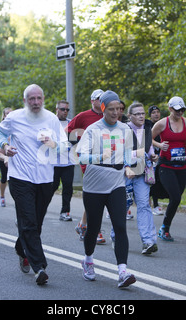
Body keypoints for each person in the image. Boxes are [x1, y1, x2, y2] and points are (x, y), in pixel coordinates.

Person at [0, 84, 67, 285]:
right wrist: (5, 145)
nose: (35, 102)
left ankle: (22, 249)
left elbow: (63, 145)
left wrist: (51, 143)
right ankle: (39, 267)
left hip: (45, 178)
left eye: (39, 98)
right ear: (25, 100)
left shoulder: (52, 119)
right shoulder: (15, 117)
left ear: (43, 99)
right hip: (20, 177)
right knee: (28, 221)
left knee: (36, 222)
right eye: (31, 99)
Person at [76, 90, 136, 288]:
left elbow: (128, 153)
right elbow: (81, 156)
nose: (115, 113)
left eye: (118, 109)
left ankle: (122, 271)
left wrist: (128, 166)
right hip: (94, 184)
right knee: (93, 227)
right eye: (111, 109)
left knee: (120, 226)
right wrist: (100, 157)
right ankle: (88, 260)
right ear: (103, 109)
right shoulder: (93, 129)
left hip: (116, 183)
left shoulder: (125, 128)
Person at [66, 89, 106, 243]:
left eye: (104, 99)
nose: (102, 101)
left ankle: (84, 224)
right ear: (92, 101)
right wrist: (78, 143)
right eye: (99, 99)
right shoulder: (83, 116)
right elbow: (68, 131)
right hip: (89, 160)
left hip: (107, 159)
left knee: (98, 194)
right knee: (98, 193)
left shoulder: (109, 115)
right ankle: (94, 230)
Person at [152, 96, 186, 241]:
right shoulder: (162, 123)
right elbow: (148, 138)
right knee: (175, 197)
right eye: (177, 110)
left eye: (182, 110)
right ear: (170, 109)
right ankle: (165, 229)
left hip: (181, 166)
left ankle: (165, 227)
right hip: (165, 165)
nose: (180, 112)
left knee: (176, 199)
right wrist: (159, 145)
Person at [124, 102, 158, 254]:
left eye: (143, 113)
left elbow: (149, 147)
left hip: (142, 172)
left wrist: (152, 155)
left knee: (144, 205)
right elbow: (119, 152)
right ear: (130, 116)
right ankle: (116, 236)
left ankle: (148, 241)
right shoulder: (124, 129)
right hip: (126, 173)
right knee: (122, 207)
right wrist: (139, 155)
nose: (141, 116)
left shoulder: (147, 128)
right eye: (137, 114)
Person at [52, 100, 75, 221]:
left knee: (67, 187)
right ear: (57, 109)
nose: (65, 112)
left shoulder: (71, 123)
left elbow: (75, 140)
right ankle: (41, 207)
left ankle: (65, 211)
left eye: (67, 110)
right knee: (51, 187)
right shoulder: (51, 122)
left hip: (68, 162)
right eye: (62, 109)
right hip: (53, 162)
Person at [147, 105, 166, 215]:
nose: (156, 114)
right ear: (150, 115)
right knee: (150, 180)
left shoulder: (163, 124)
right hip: (150, 158)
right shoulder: (147, 125)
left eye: (157, 112)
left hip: (161, 157)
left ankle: (156, 205)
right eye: (153, 112)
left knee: (157, 181)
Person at [0, 107, 13, 207]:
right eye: (7, 113)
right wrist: (6, 158)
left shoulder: (19, 127)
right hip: (4, 158)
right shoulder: (2, 129)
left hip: (16, 160)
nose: (9, 115)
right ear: (4, 116)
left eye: (11, 113)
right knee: (4, 178)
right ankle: (2, 196)